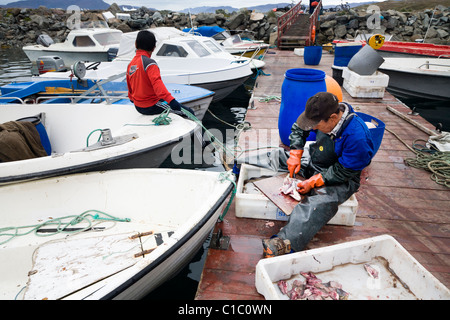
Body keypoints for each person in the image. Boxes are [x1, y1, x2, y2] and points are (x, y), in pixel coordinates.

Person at [262, 92, 375, 258]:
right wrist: (295, 154)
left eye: (316, 125)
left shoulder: (358, 137)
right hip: (316, 161)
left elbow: (346, 170)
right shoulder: (319, 111)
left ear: (333, 117)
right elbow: (300, 128)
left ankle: (285, 243)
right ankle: (238, 164)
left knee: (320, 202)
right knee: (277, 155)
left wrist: (315, 181)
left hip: (341, 177)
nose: (313, 128)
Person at [126, 30, 194, 116]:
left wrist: (133, 99)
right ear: (154, 48)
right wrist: (171, 101)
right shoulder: (149, 63)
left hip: (138, 106)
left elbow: (129, 86)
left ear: (135, 44)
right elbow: (157, 85)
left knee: (164, 103)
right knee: (189, 112)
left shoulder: (131, 64)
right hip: (151, 106)